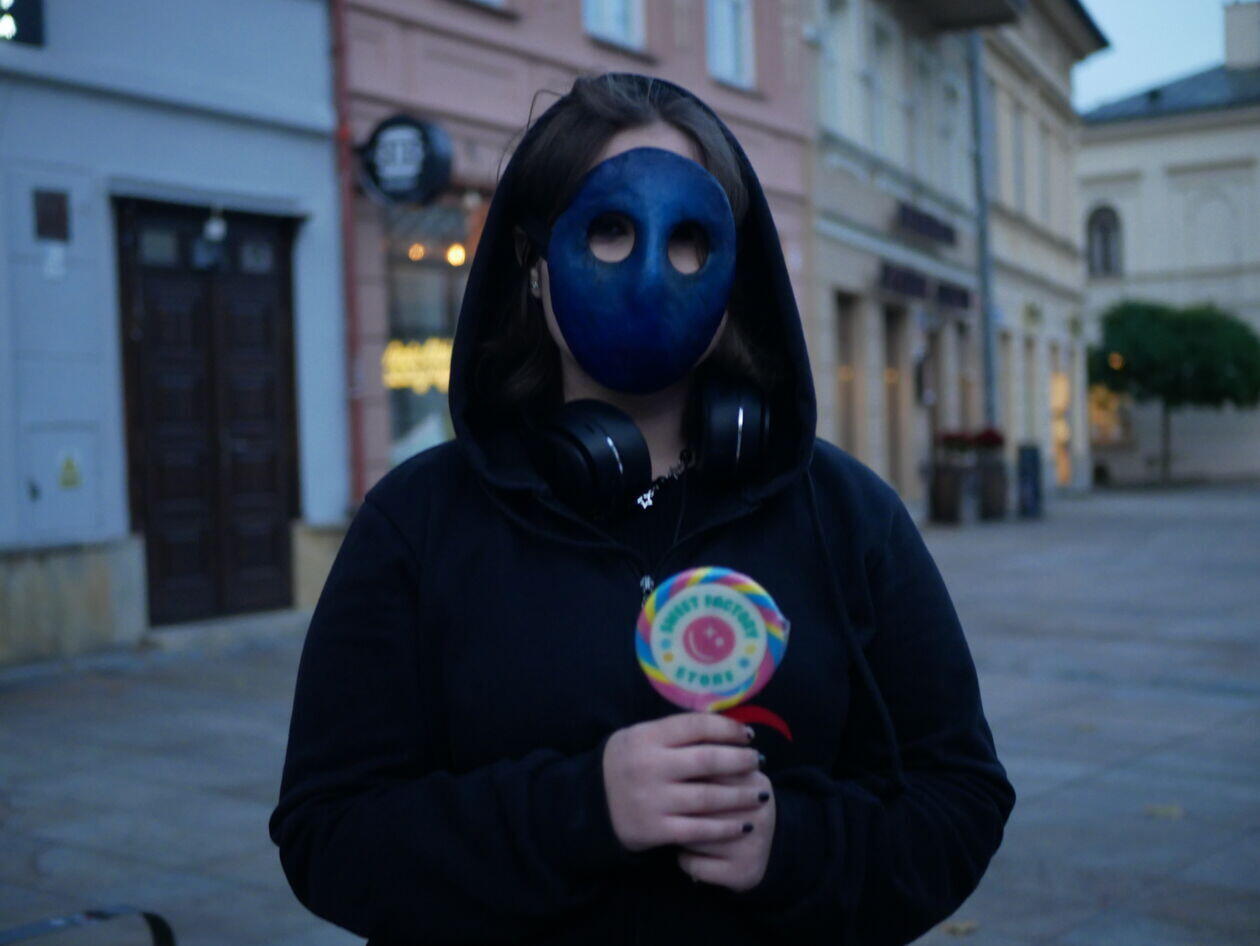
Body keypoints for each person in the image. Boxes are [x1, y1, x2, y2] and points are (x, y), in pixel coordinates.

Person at [269, 72, 1016, 946]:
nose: (651, 272)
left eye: (691, 239)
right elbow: (328, 834)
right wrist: (582, 808)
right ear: (534, 264)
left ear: (734, 276)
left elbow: (960, 796)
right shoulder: (420, 521)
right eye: (610, 229)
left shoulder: (847, 516)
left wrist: (794, 845)